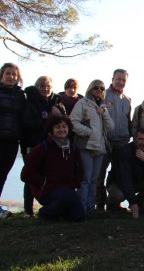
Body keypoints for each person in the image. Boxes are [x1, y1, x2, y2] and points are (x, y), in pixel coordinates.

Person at [20, 115, 85, 221]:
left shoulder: (73, 148)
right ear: (51, 129)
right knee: (68, 197)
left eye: (64, 126)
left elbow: (80, 170)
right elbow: (25, 175)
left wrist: (74, 184)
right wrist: (45, 181)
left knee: (78, 216)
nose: (62, 129)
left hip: (67, 189)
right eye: (57, 127)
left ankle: (58, 213)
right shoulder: (41, 148)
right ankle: (45, 213)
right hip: (47, 190)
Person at [22, 75, 66, 216]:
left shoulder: (57, 102)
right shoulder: (30, 101)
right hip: (33, 144)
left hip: (53, 146)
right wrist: (48, 121)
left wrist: (59, 115)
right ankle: (28, 210)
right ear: (37, 87)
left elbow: (65, 124)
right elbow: (27, 123)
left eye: (48, 86)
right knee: (31, 176)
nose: (46, 89)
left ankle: (51, 206)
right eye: (42, 86)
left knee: (51, 175)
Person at [70, 79, 114, 214]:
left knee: (94, 179)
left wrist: (104, 113)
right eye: (96, 88)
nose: (99, 90)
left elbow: (111, 127)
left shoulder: (103, 107)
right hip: (86, 146)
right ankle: (82, 208)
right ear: (90, 89)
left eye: (102, 88)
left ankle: (91, 208)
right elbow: (73, 121)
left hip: (100, 147)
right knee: (86, 179)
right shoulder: (82, 103)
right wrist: (88, 132)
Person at [96, 69, 131, 211]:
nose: (121, 82)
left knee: (118, 173)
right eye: (118, 79)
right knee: (100, 172)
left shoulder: (127, 100)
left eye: (124, 80)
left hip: (122, 141)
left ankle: (114, 202)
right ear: (112, 79)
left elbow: (128, 121)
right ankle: (99, 203)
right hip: (105, 141)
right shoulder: (103, 95)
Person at [106, 128, 144, 218]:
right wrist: (132, 201)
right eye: (140, 139)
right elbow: (124, 179)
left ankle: (139, 205)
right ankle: (111, 205)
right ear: (134, 139)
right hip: (117, 183)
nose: (143, 143)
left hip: (135, 182)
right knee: (118, 196)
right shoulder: (124, 152)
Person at [0, 63, 25, 219]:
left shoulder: (20, 95)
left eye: (14, 75)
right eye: (8, 73)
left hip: (12, 140)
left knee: (3, 174)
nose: (11, 77)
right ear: (2, 75)